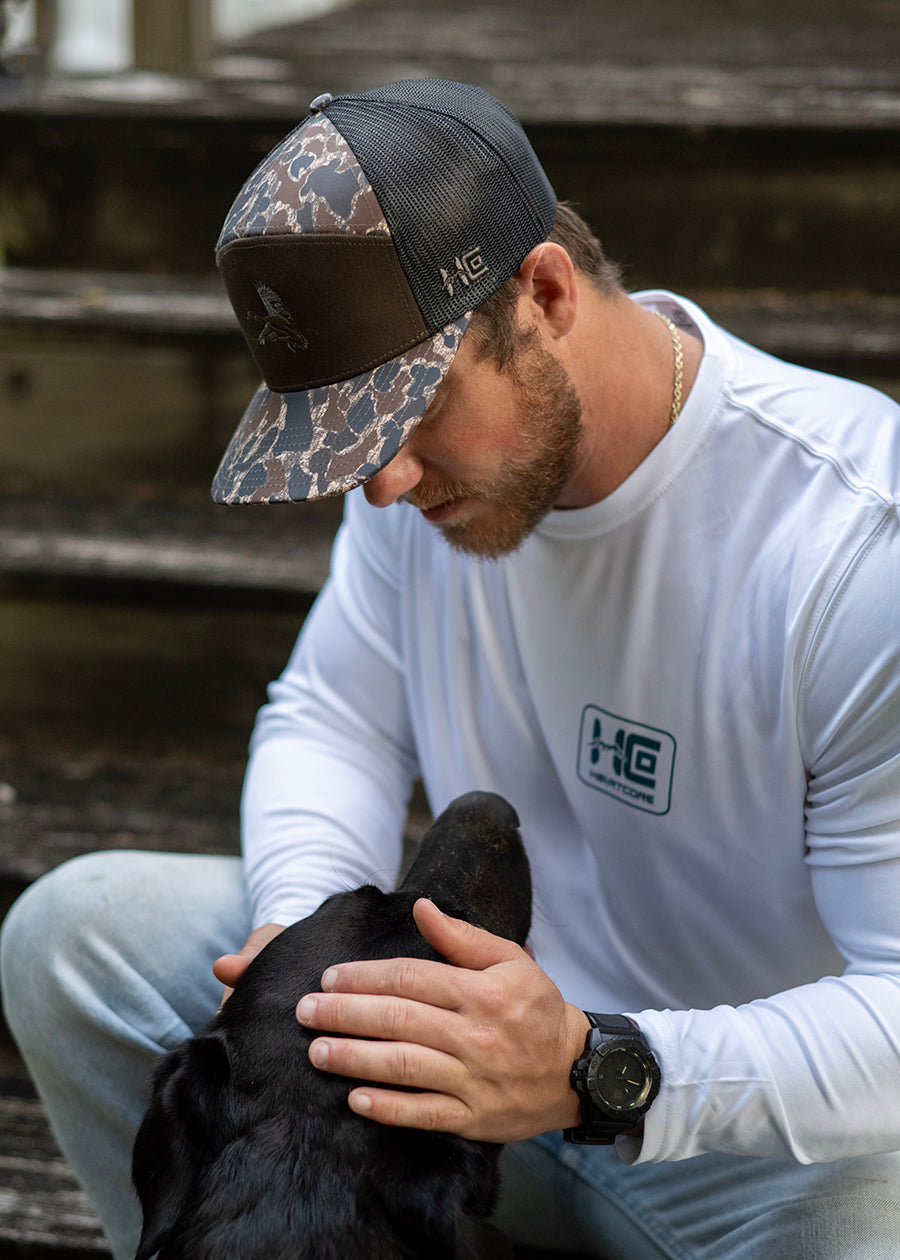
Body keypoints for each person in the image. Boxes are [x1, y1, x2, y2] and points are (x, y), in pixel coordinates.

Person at [2, 78, 899, 1260]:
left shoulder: (852, 545)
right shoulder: (420, 488)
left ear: (543, 292)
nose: (380, 483)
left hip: (730, 1138)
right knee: (77, 935)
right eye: (350, 436)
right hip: (437, 1072)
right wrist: (299, 949)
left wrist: (593, 1065)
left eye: (407, 414)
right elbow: (332, 717)